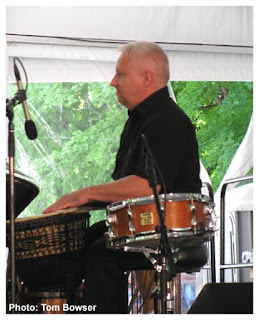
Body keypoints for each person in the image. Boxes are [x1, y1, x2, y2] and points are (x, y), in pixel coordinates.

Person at [44, 41, 202, 313]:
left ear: (146, 78)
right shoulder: (138, 121)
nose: (113, 82)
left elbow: (146, 186)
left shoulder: (167, 120)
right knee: (82, 241)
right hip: (143, 225)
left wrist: (84, 193)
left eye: (121, 74)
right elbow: (123, 186)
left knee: (102, 255)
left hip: (172, 231)